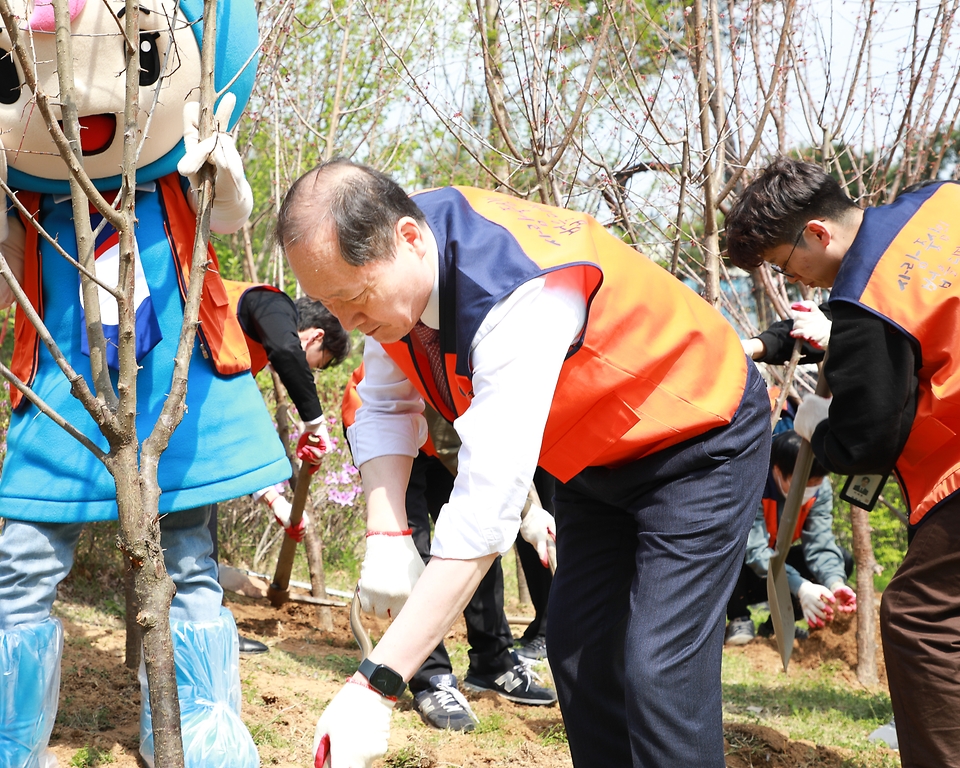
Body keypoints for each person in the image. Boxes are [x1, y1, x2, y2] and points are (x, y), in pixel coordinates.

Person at [279, 159, 771, 767]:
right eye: (330, 304)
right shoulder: (398, 265)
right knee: (579, 650)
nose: (350, 324)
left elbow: (486, 511)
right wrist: (387, 532)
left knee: (657, 667)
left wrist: (376, 685)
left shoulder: (515, 292)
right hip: (596, 451)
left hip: (697, 433)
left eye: (354, 299)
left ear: (408, 237)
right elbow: (382, 401)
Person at [725, 156, 960, 767]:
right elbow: (859, 319)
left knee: (921, 620)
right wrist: (764, 343)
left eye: (787, 263)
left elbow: (867, 441)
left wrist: (821, 433)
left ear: (818, 234)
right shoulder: (936, 205)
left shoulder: (866, 300)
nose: (801, 280)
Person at [341, 369, 556, 731]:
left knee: (475, 536)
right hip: (387, 426)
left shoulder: (491, 362)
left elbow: (494, 444)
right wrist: (527, 508)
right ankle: (431, 678)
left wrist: (529, 509)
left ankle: (493, 660)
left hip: (449, 424)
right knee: (412, 550)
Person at [212, 285, 350, 654]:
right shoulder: (268, 300)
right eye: (313, 363)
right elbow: (288, 350)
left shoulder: (242, 347)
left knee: (198, 528)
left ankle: (206, 626)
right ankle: (207, 630)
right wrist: (315, 423)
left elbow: (232, 422)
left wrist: (274, 500)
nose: (305, 371)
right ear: (316, 336)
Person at [725, 430, 856, 645]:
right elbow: (754, 551)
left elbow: (820, 543)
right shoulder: (755, 485)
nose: (809, 490)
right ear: (777, 469)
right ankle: (739, 617)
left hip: (778, 571)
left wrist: (835, 582)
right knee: (731, 550)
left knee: (844, 558)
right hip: (742, 575)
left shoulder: (819, 492)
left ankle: (776, 626)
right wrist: (800, 587)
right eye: (803, 482)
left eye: (815, 482)